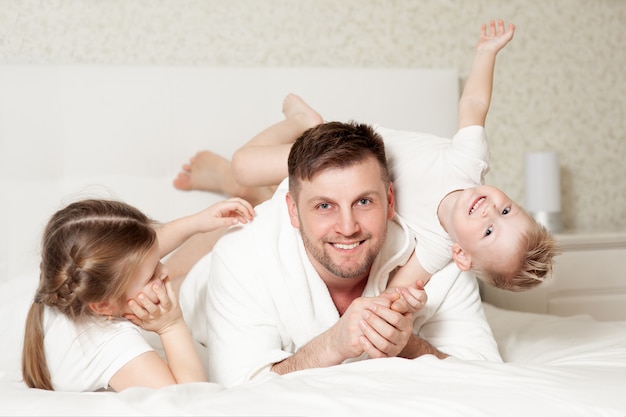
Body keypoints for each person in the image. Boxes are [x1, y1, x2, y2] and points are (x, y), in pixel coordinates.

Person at [178, 54, 505, 385]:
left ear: (390, 200)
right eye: (325, 206)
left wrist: (409, 347)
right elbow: (241, 387)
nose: (348, 227)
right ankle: (246, 192)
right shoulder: (242, 256)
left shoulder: (439, 251)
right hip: (202, 279)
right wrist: (332, 344)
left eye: (364, 201)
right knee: (186, 256)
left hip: (291, 217)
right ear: (292, 210)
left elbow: (484, 371)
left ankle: (262, 193)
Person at [177, 19, 557, 295]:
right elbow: (474, 103)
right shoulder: (469, 163)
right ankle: (301, 121)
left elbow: (394, 291)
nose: (491, 212)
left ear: (462, 255)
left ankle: (234, 183)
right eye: (507, 211)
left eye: (489, 231)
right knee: (245, 166)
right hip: (335, 153)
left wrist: (401, 306)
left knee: (269, 192)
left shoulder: (438, 249)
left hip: (332, 189)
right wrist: (486, 53)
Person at [21, 197, 254, 392]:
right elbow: (191, 400)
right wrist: (171, 326)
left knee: (202, 245)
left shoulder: (68, 277)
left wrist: (197, 222)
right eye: (152, 274)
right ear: (103, 306)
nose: (164, 271)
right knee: (197, 279)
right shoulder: (113, 345)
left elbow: (141, 253)